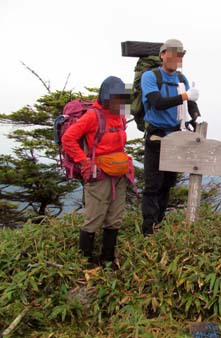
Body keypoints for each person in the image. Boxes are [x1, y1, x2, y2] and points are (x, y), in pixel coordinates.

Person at [62, 76, 132, 269]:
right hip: (98, 174)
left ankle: (108, 259)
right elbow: (69, 138)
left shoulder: (120, 116)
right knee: (94, 218)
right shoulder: (93, 116)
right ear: (105, 97)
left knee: (115, 218)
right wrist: (83, 161)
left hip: (119, 174)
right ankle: (86, 262)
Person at [140, 38, 201, 236]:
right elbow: (157, 102)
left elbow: (188, 104)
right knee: (153, 185)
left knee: (167, 183)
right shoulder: (150, 76)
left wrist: (196, 115)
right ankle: (148, 230)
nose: (176, 57)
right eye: (172, 53)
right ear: (163, 54)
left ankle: (159, 224)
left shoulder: (181, 79)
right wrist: (186, 97)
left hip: (176, 136)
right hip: (156, 136)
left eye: (180, 54)